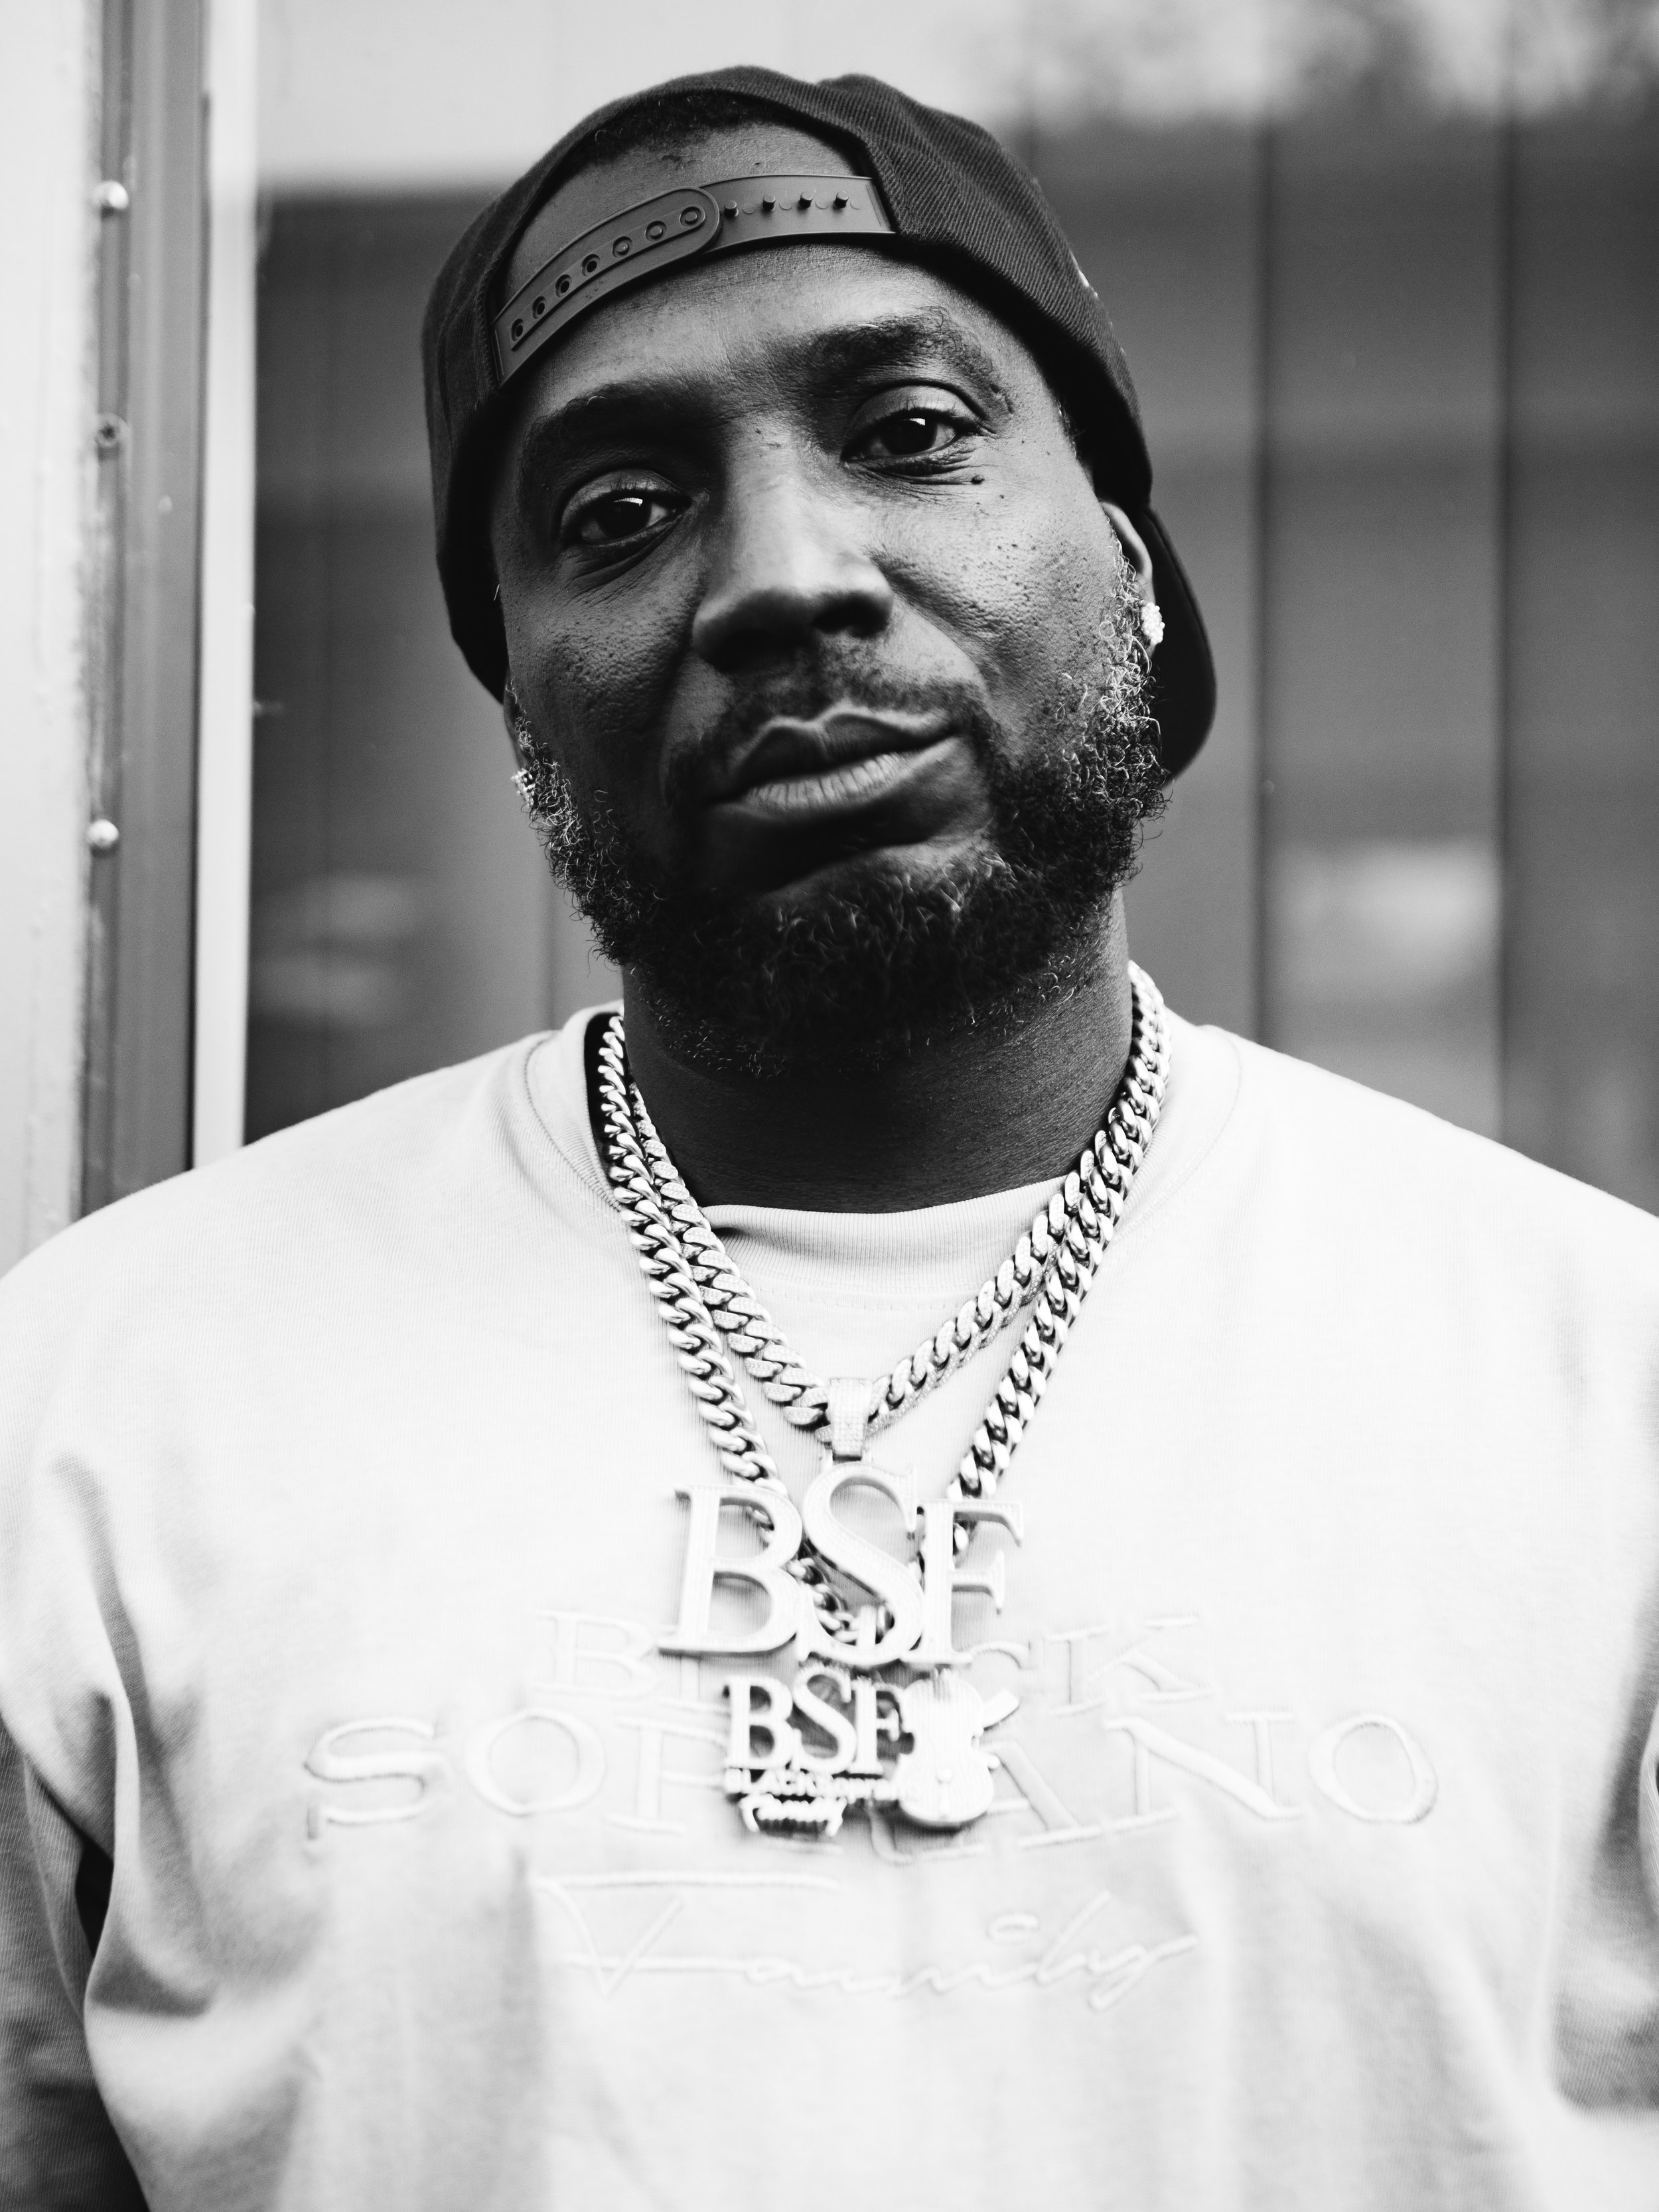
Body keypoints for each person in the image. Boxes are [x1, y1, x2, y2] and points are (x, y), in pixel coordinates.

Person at [2, 64, 1656, 2212]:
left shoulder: (1596, 1384)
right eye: (619, 509)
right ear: (520, 704)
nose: (786, 577)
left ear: (1134, 572)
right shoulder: (113, 1406)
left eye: (909, 435)